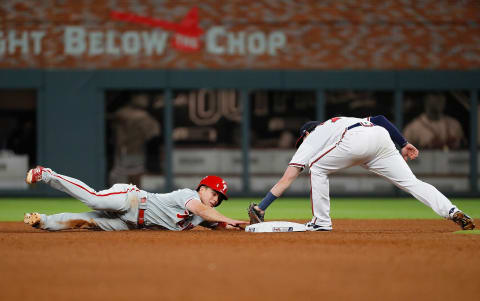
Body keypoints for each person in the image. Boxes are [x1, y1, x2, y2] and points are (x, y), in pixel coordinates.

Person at [247, 116, 475, 231]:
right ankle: (452, 210)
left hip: (355, 140)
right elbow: (380, 119)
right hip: (380, 137)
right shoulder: (338, 121)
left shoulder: (313, 137)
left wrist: (262, 206)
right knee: (412, 182)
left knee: (317, 167)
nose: (303, 141)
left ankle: (321, 223)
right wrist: (403, 143)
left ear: (306, 133)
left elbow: (288, 178)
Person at [24, 166, 248, 231]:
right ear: (202, 188)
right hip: (131, 200)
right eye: (214, 193)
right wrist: (228, 219)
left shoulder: (203, 217)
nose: (216, 199)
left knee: (85, 221)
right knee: (93, 199)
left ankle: (41, 221)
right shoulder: (189, 196)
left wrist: (244, 226)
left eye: (219, 198)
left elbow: (218, 225)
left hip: (129, 224)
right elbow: (203, 211)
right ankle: (47, 175)